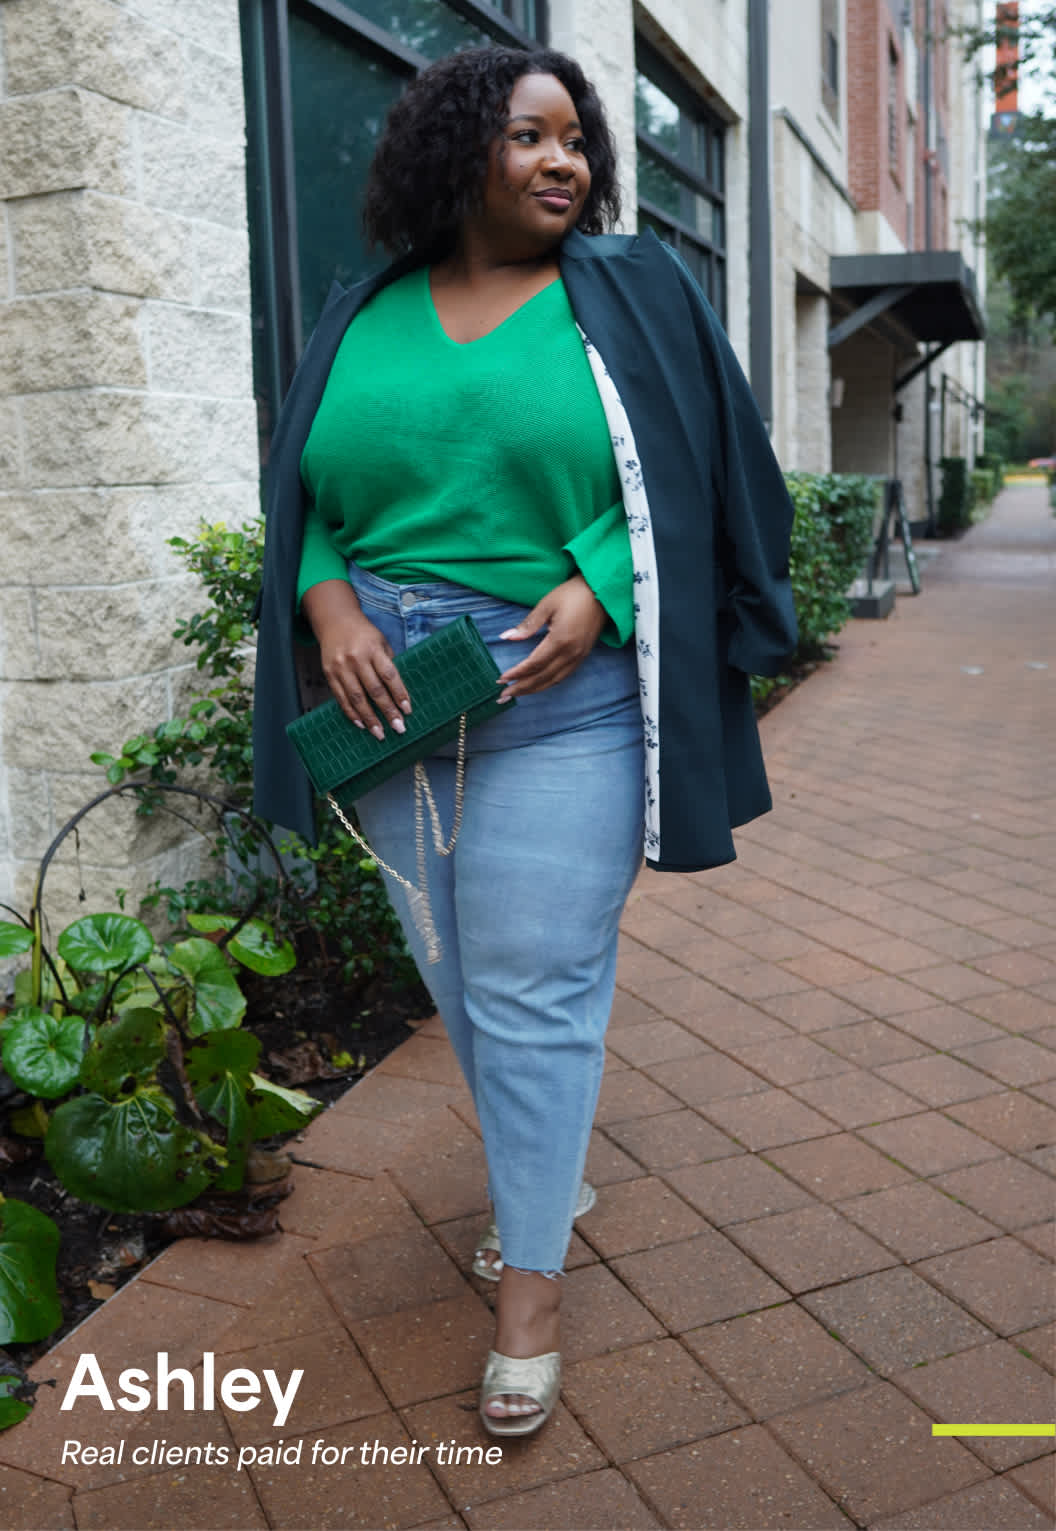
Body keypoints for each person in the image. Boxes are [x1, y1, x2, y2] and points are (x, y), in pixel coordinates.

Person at [252, 45, 797, 1437]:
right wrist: (323, 604)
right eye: (529, 136)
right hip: (390, 700)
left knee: (536, 986)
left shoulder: (634, 294)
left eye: (578, 141)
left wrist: (606, 583)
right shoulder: (361, 309)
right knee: (460, 980)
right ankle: (548, 1176)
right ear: (456, 156)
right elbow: (309, 488)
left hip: (564, 699)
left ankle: (529, 1291)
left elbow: (710, 470)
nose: (567, 162)